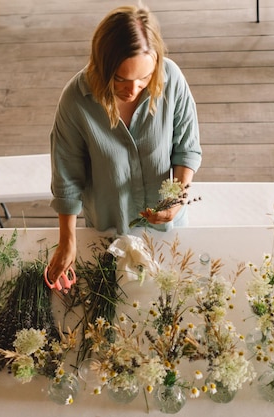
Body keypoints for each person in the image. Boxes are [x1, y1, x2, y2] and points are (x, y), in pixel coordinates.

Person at [47, 4, 202, 284]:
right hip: (108, 228)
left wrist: (178, 199)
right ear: (101, 65)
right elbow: (67, 177)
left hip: (168, 228)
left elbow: (187, 148)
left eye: (144, 78)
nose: (132, 90)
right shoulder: (75, 101)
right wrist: (67, 239)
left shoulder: (172, 78)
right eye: (120, 79)